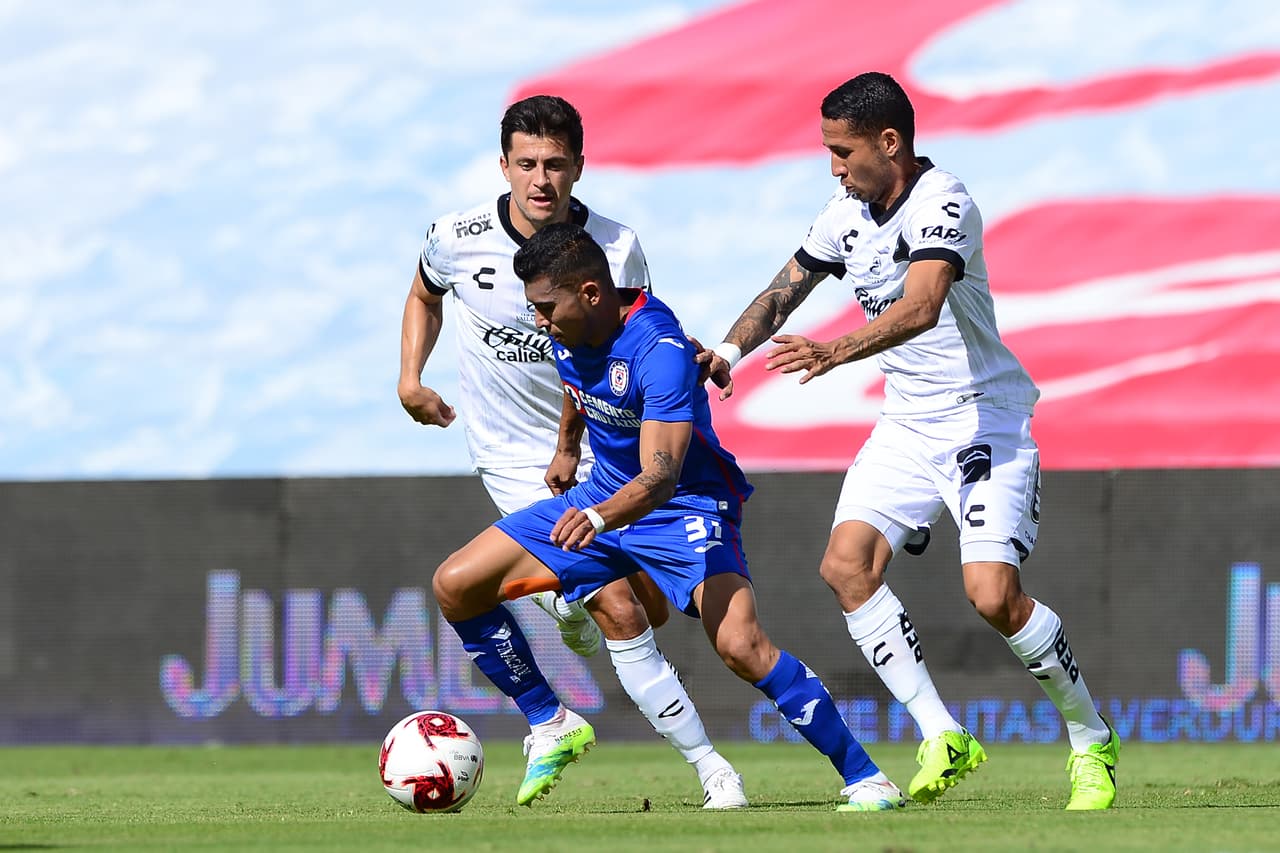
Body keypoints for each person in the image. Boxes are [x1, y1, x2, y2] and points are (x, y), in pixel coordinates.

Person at [699, 72, 1119, 811]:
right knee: (845, 566)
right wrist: (729, 352)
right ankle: (941, 731)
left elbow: (923, 306)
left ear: (889, 142)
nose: (833, 165)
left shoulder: (944, 203)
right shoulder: (846, 210)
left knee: (992, 596)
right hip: (907, 422)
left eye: (842, 150)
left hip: (984, 418)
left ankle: (1091, 738)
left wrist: (832, 352)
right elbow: (787, 284)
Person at [432, 222, 907, 811]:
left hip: (685, 505)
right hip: (601, 496)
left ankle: (866, 777)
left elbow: (661, 477)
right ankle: (549, 720)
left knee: (741, 645)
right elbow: (575, 381)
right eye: (533, 309)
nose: (538, 322)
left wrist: (600, 519)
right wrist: (566, 446)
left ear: (591, 293)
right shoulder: (565, 325)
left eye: (546, 308)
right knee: (456, 585)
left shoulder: (661, 351)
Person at [398, 95, 747, 808]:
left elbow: (618, 348)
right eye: (526, 163)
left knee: (643, 611)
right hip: (513, 457)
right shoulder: (454, 237)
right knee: (616, 606)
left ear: (580, 167)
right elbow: (424, 293)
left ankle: (564, 623)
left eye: (556, 164)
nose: (541, 180)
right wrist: (410, 378)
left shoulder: (617, 248)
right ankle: (698, 766)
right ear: (502, 165)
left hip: (604, 448)